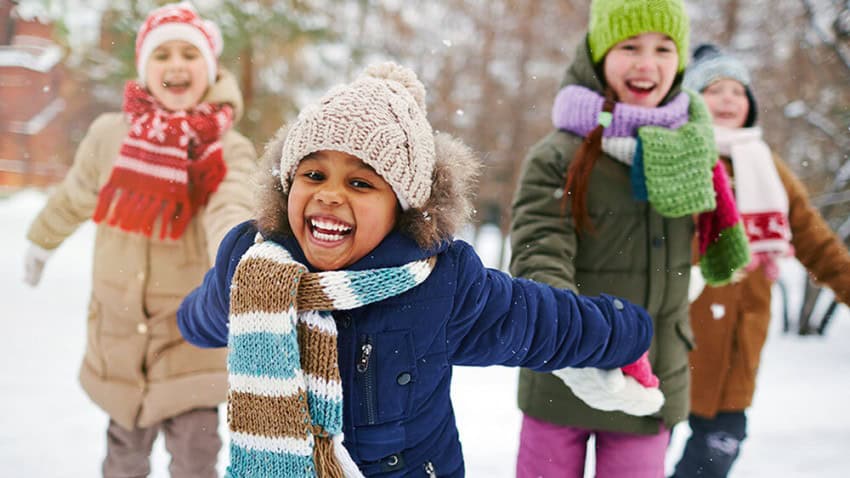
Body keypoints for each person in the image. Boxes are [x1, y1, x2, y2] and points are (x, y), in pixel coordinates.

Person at [176, 61, 656, 478]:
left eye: (361, 182)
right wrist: (186, 320)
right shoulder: (256, 268)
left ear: (402, 208)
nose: (329, 194)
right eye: (313, 174)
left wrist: (627, 332)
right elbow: (210, 312)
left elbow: (541, 321)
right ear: (287, 185)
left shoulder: (440, 284)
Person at [509, 1, 752, 477]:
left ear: (679, 61)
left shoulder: (692, 149)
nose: (647, 63)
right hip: (563, 377)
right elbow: (540, 254)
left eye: (664, 48)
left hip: (652, 379)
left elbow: (703, 247)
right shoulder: (557, 155)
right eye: (630, 46)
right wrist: (577, 343)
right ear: (599, 55)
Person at [22, 2, 257, 476]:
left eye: (189, 54)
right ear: (144, 68)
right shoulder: (109, 136)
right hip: (120, 333)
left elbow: (231, 208)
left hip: (191, 335)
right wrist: (41, 240)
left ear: (209, 70)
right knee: (122, 460)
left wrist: (238, 264)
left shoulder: (225, 148)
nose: (175, 65)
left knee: (195, 459)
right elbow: (75, 196)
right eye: (162, 54)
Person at [670, 44, 850, 478]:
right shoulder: (673, 158)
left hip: (738, 347)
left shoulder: (768, 167)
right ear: (691, 100)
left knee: (712, 460)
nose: (730, 99)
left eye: (738, 90)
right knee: (637, 457)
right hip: (675, 341)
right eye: (715, 90)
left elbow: (817, 244)